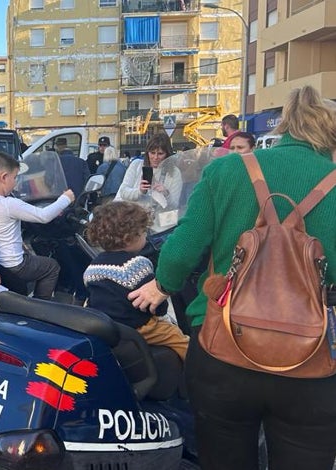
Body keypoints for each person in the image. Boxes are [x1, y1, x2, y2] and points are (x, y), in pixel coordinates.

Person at [128, 86, 336, 469]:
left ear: (284, 126)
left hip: (224, 346)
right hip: (312, 358)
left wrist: (161, 285)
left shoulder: (228, 169)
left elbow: (183, 247)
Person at [84, 201, 189, 360]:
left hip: (110, 328)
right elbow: (157, 304)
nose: (146, 235)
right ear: (130, 238)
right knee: (180, 340)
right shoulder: (136, 266)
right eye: (143, 232)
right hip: (140, 327)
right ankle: (196, 372)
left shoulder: (92, 268)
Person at [0, 152, 73, 301]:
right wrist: (66, 199)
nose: (15, 183)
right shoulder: (8, 204)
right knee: (51, 267)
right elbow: (43, 216)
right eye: (14, 178)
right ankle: (39, 306)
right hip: (14, 265)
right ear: (3, 177)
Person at [115, 132, 183, 210]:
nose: (155, 157)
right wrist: (140, 191)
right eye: (152, 153)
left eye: (160, 154)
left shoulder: (174, 172)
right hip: (134, 217)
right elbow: (123, 192)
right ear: (147, 152)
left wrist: (166, 194)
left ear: (167, 154)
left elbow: (174, 205)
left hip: (159, 219)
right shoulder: (136, 165)